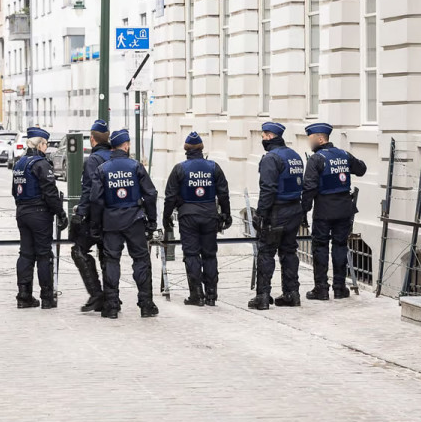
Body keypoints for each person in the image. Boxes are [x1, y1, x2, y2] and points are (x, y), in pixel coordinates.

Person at [89, 129, 159, 319]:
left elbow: (95, 200)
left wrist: (95, 225)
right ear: (126, 145)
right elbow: (151, 194)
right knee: (141, 260)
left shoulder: (103, 168)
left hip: (111, 221)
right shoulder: (135, 166)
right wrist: (152, 221)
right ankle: (146, 304)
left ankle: (111, 306)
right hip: (135, 220)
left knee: (112, 261)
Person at [162, 132, 231, 307]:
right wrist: (226, 214)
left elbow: (170, 196)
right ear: (201, 149)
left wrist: (166, 217)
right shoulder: (213, 167)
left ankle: (196, 294)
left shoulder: (180, 169)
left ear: (186, 149)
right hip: (209, 215)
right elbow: (223, 193)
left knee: (191, 254)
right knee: (209, 255)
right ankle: (211, 294)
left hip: (188, 216)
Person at [302, 122, 367, 301]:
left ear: (320, 138)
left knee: (320, 247)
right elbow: (361, 169)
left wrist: (303, 210)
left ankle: (321, 289)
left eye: (311, 139)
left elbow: (309, 187)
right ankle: (339, 288)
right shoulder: (343, 154)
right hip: (344, 209)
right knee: (340, 246)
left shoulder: (316, 159)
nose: (310, 143)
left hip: (324, 210)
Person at [248, 122, 304, 311]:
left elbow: (268, 188)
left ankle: (263, 296)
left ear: (270, 136)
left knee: (266, 252)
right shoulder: (295, 156)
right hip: (294, 210)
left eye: (263, 136)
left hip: (277, 212)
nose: (262, 139)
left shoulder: (271, 158)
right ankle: (292, 293)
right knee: (289, 252)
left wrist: (260, 214)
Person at [12, 127, 69, 309]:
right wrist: (60, 213)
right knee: (44, 254)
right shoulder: (41, 164)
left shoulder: (20, 163)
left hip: (22, 212)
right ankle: (46, 297)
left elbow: (14, 191)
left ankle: (24, 295)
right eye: (46, 144)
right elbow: (50, 193)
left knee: (26, 254)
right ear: (41, 144)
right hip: (39, 214)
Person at [70, 119, 113, 312]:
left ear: (93, 140)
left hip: (96, 216)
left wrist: (80, 214)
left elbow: (88, 191)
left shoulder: (93, 160)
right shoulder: (115, 157)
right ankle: (112, 298)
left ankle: (96, 294)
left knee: (79, 251)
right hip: (116, 216)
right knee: (108, 255)